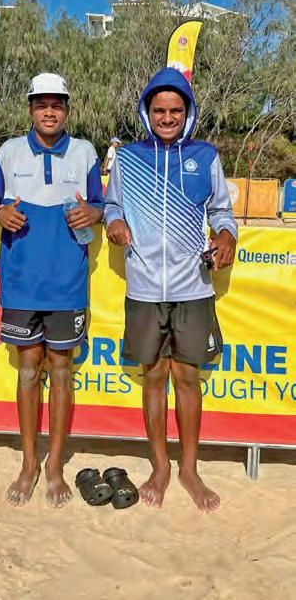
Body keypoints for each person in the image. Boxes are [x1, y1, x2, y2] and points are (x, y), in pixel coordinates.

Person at [105, 67, 237, 513]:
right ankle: (160, 467)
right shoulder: (128, 159)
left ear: (188, 112)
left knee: (187, 378)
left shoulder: (205, 156)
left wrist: (226, 237)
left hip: (193, 287)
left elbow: (221, 211)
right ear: (147, 112)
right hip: (144, 288)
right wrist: (114, 223)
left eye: (175, 110)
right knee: (154, 376)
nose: (167, 117)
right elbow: (112, 205)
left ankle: (189, 470)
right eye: (159, 110)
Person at [0, 72, 104, 508]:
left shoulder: (85, 151)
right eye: (41, 104)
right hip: (21, 283)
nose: (49, 112)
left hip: (68, 284)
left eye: (57, 104)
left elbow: (101, 205)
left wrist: (94, 213)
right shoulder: (10, 151)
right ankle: (28, 464)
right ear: (30, 108)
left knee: (62, 371)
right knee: (28, 371)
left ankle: (54, 466)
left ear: (66, 109)